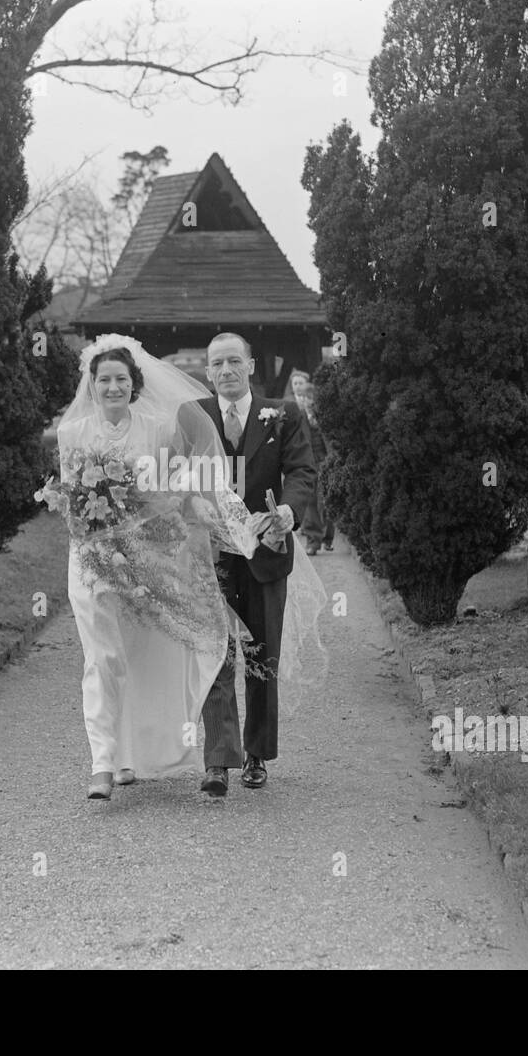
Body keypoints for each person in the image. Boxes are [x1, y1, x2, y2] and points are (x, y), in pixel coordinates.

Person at [49, 336, 257, 800]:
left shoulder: (157, 429)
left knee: (138, 659)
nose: (113, 387)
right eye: (104, 380)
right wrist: (91, 520)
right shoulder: (72, 433)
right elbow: (68, 501)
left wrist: (195, 503)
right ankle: (101, 763)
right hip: (91, 560)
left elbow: (179, 480)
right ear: (92, 383)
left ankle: (128, 757)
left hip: (143, 560)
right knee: (101, 657)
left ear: (134, 382)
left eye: (121, 379)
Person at [194, 332, 318, 796]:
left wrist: (287, 510)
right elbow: (174, 472)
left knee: (261, 655)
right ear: (207, 373)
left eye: (233, 361)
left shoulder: (282, 413)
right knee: (216, 654)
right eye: (217, 364)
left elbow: (303, 471)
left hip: (266, 554)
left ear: (249, 365)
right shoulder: (195, 417)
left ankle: (257, 753)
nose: (225, 371)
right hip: (211, 556)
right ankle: (217, 761)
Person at [295, 382, 336, 554]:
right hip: (308, 464)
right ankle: (313, 541)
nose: (304, 400)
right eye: (302, 397)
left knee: (326, 502)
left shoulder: (325, 416)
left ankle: (328, 537)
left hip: (326, 463)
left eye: (307, 397)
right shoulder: (298, 417)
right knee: (310, 503)